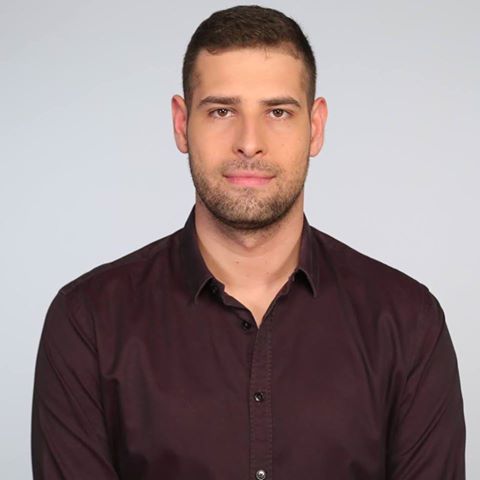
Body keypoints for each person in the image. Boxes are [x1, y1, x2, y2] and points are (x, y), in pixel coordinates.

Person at [31, 5, 466, 479]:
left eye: (278, 112)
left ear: (315, 127)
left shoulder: (408, 324)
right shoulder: (88, 323)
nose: (249, 142)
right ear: (181, 124)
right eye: (222, 111)